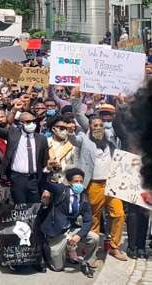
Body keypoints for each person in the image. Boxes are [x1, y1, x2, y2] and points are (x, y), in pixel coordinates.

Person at [73, 116, 127, 261]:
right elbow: (74, 139)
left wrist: (120, 106)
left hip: (111, 185)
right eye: (95, 125)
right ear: (90, 127)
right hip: (94, 185)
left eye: (100, 125)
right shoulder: (84, 139)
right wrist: (76, 100)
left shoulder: (110, 140)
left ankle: (114, 247)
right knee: (94, 218)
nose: (98, 128)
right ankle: (92, 253)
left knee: (119, 214)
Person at [40, 168, 98, 277]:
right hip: (57, 231)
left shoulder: (84, 195)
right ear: (70, 182)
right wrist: (47, 170)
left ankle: (85, 261)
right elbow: (44, 183)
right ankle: (54, 248)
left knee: (94, 238)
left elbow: (88, 220)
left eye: (81, 181)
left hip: (71, 229)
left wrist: (79, 236)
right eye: (76, 182)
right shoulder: (61, 189)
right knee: (57, 267)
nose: (79, 184)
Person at [0, 110, 48, 203]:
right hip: (17, 179)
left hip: (35, 179)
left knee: (34, 209)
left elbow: (44, 161)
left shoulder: (42, 139)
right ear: (21, 123)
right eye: (28, 122)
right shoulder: (13, 134)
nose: (32, 124)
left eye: (33, 121)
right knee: (19, 208)